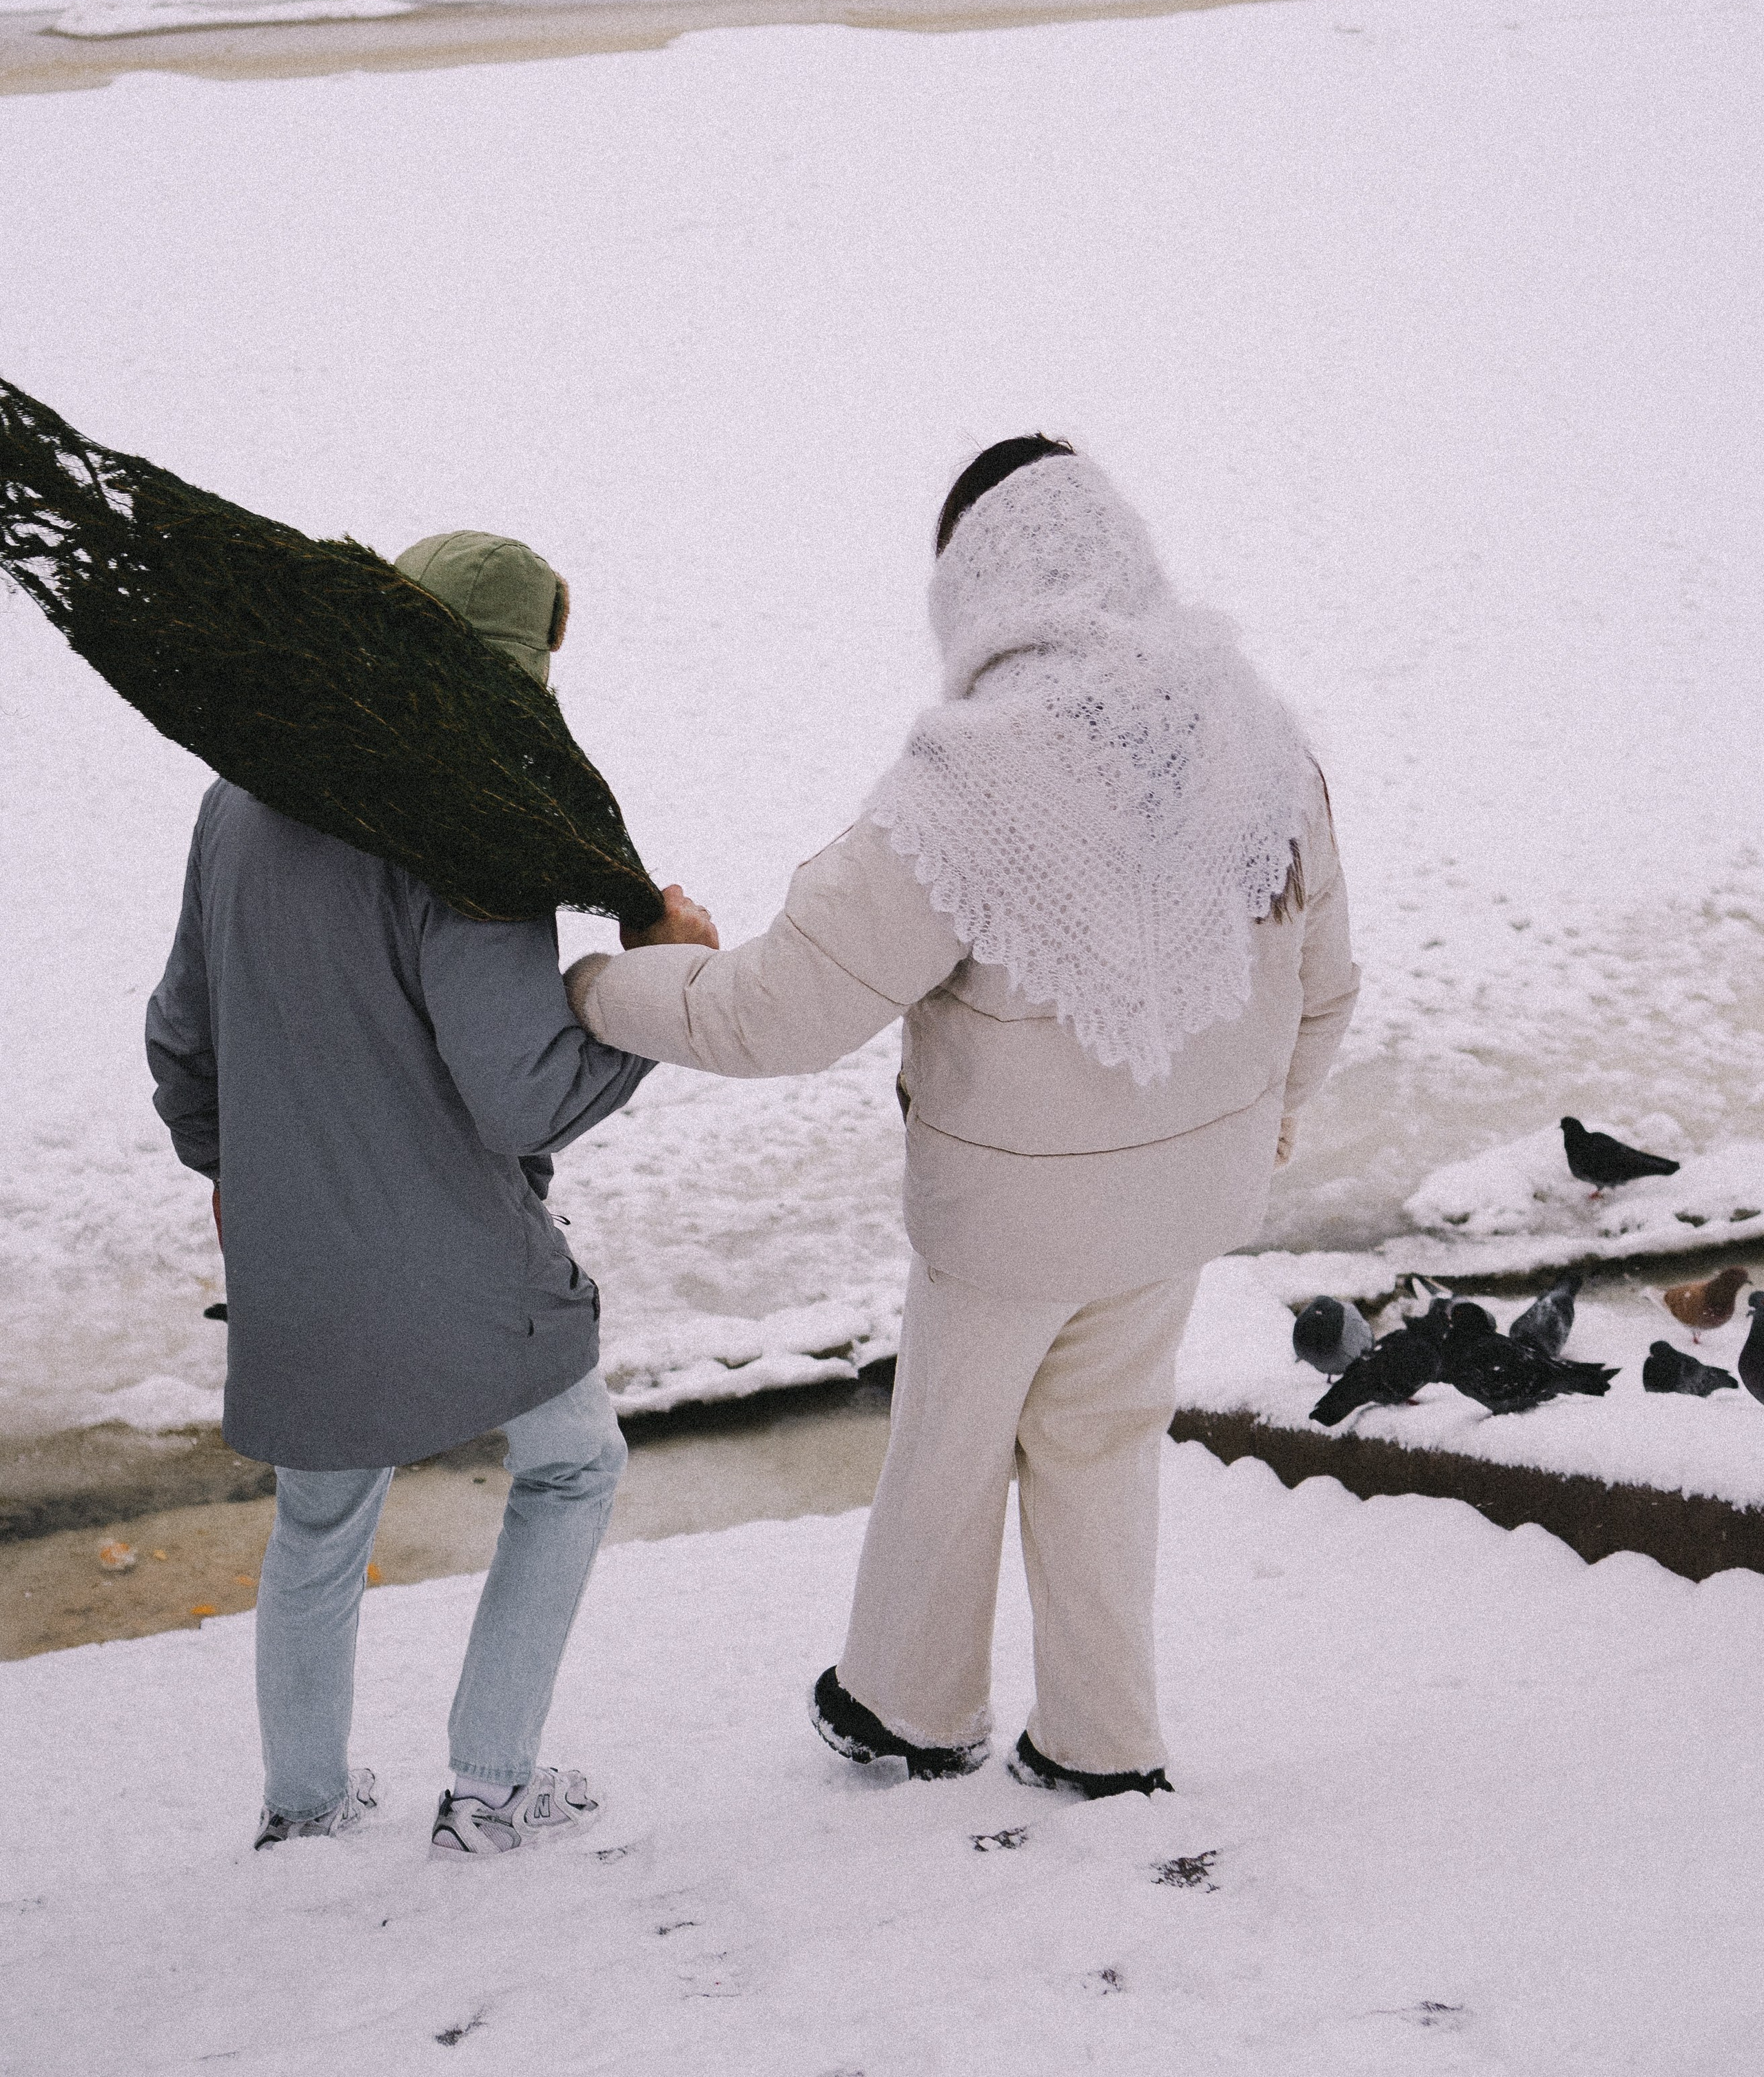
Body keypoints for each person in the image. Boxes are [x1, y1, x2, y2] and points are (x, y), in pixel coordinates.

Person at [566, 441, 1358, 1801]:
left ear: (975, 587)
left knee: (951, 1446)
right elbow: (1323, 987)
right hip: (1182, 1201)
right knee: (1101, 1442)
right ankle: (1102, 1743)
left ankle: (907, 1710)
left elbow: (776, 1014)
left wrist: (594, 986)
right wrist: (1263, 1119)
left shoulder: (969, 783)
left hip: (1007, 1223)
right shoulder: (1256, 738)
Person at [146, 528, 715, 1857]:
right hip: (462, 1257)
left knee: (321, 1520)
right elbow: (524, 1094)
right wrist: (659, 982)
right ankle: (490, 1788)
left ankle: (305, 1811)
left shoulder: (242, 792)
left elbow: (182, 1040)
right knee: (574, 1469)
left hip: (290, 1253)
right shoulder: (469, 828)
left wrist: (236, 1179)